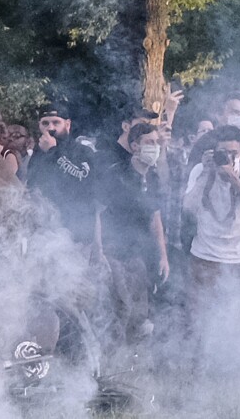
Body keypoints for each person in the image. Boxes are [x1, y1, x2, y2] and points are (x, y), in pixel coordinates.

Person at [183, 125, 240, 370]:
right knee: (199, 316)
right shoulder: (200, 169)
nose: (226, 157)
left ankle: (238, 368)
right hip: (204, 255)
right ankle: (199, 369)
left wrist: (233, 177)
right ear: (213, 150)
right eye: (222, 152)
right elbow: (187, 207)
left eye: (232, 151)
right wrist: (206, 174)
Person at [98, 123, 169, 343]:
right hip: (112, 250)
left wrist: (163, 256)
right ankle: (111, 356)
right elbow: (97, 214)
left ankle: (133, 356)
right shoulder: (116, 174)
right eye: (150, 142)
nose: (155, 147)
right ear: (135, 145)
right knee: (121, 305)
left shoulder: (153, 178)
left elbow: (155, 219)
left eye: (157, 143)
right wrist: (98, 251)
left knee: (140, 309)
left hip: (137, 251)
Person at [27, 103, 98, 245]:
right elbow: (32, 185)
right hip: (43, 230)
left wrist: (54, 152)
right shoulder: (38, 152)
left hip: (76, 231)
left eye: (56, 122)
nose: (50, 128)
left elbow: (81, 178)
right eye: (45, 123)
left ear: (67, 124)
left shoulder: (83, 151)